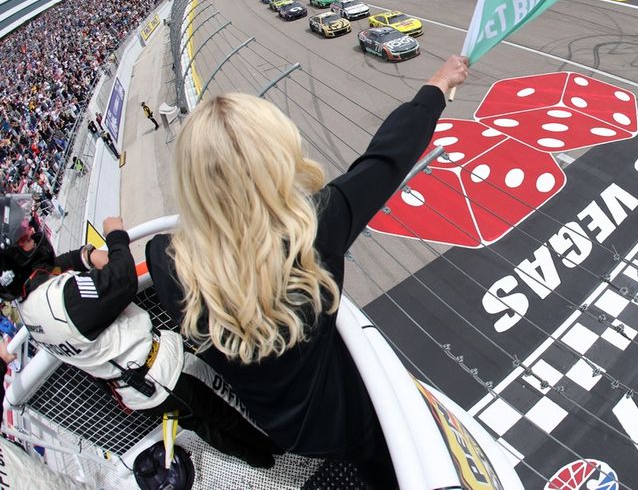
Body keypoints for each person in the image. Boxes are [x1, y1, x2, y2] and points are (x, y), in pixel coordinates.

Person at [145, 55, 469, 488]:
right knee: (386, 458)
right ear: (277, 160)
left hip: (281, 430)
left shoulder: (164, 261)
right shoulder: (314, 228)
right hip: (346, 416)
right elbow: (385, 160)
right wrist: (436, 86)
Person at [0, 203, 277, 469]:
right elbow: (122, 279)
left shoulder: (30, 307)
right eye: (24, 237)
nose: (34, 234)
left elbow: (60, 266)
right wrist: (116, 236)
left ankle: (260, 460)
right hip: (166, 372)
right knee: (234, 411)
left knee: (204, 425)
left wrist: (87, 255)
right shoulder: (63, 301)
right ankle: (279, 445)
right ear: (14, 262)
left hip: (140, 390)